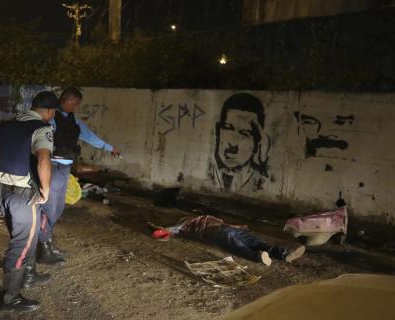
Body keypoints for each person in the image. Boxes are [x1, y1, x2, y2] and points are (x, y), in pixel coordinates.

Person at [0, 91, 60, 311]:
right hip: (23, 196)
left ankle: (27, 277)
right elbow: (44, 159)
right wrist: (45, 190)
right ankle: (10, 298)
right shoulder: (42, 128)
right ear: (50, 111)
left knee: (25, 238)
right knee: (21, 244)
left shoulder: (6, 124)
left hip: (3, 193)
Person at [38, 87, 119, 265]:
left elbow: (90, 136)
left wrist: (108, 147)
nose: (76, 107)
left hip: (64, 168)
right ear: (66, 100)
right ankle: (43, 248)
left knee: (57, 208)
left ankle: (48, 243)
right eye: (75, 103)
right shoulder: (52, 118)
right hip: (52, 166)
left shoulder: (73, 120)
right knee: (49, 208)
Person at [151, 215, 306, 266]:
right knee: (240, 245)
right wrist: (163, 230)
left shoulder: (204, 218)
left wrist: (238, 226)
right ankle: (261, 256)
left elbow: (224, 224)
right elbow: (171, 230)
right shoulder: (185, 224)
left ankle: (284, 254)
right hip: (214, 233)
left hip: (224, 229)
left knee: (253, 242)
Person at [213, 93, 271, 192]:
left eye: (244, 134)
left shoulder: (263, 184)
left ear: (257, 144)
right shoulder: (206, 175)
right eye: (227, 128)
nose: (232, 143)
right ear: (218, 132)